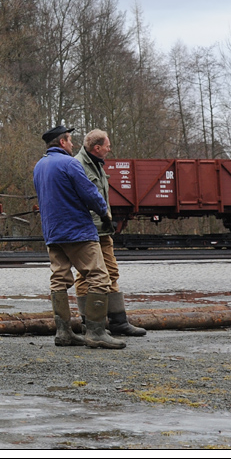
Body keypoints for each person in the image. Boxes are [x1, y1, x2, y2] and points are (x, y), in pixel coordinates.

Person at [33, 125, 125, 350]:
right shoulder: (70, 163)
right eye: (70, 140)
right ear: (62, 142)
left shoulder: (39, 166)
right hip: (77, 231)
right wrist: (105, 213)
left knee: (59, 278)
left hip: (52, 233)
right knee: (99, 277)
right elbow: (91, 194)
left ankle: (63, 332)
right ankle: (96, 333)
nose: (73, 144)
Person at [73, 129, 146, 337]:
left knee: (111, 272)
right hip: (88, 230)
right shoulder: (78, 165)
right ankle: (89, 323)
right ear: (97, 148)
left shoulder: (96, 164)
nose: (110, 149)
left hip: (103, 230)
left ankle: (118, 322)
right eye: (107, 145)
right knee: (86, 276)